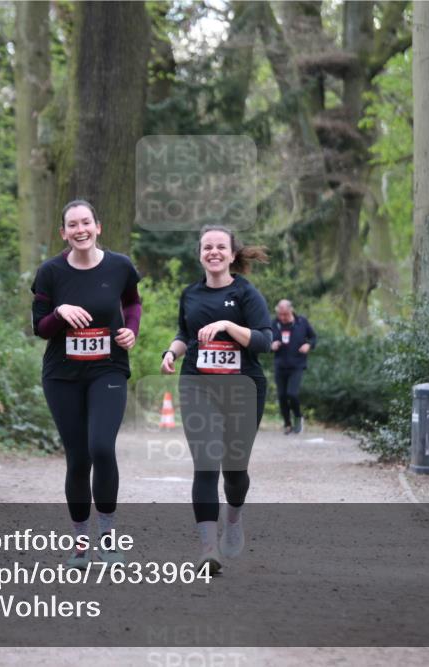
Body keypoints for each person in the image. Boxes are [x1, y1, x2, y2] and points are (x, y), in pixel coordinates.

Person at [31, 200, 141, 568]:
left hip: (107, 369)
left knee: (101, 448)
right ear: (63, 233)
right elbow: (40, 327)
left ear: (98, 226)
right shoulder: (50, 273)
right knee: (78, 458)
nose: (80, 230)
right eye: (72, 225)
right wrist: (60, 312)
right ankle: (80, 544)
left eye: (86, 223)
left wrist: (131, 331)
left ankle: (108, 540)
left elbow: (133, 303)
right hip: (62, 375)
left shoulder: (120, 266)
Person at [160, 225, 271, 574]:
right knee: (206, 464)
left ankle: (234, 519)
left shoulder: (247, 294)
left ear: (232, 254)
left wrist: (226, 324)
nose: (214, 252)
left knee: (234, 471)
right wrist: (171, 352)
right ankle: (209, 550)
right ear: (200, 254)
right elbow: (184, 333)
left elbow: (264, 341)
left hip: (242, 387)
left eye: (221, 247)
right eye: (207, 247)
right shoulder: (190, 294)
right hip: (198, 384)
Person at [270, 300, 318, 435]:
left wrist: (308, 345)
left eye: (285, 314)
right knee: (282, 396)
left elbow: (313, 338)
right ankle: (287, 424)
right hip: (280, 365)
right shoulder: (274, 324)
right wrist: (271, 345)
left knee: (292, 393)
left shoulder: (302, 322)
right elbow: (266, 340)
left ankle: (298, 419)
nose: (283, 317)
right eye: (280, 314)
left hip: (297, 365)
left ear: (291, 310)